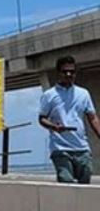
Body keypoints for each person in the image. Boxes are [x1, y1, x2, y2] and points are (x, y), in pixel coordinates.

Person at [39, 55, 100, 184]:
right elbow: (42, 118)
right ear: (58, 73)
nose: (68, 74)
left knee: (85, 183)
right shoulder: (49, 95)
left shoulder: (83, 93)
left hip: (81, 147)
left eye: (72, 71)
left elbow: (92, 117)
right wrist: (54, 127)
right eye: (65, 71)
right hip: (60, 148)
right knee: (66, 181)